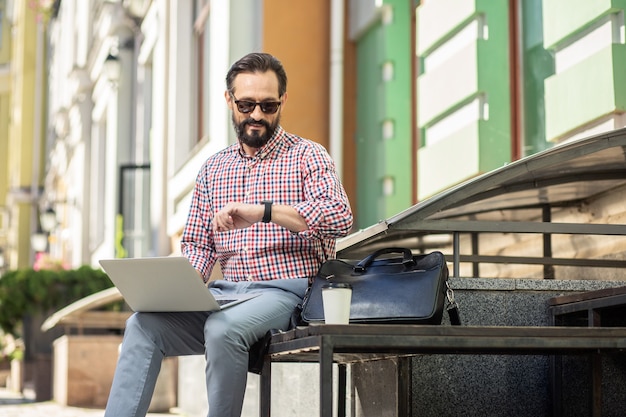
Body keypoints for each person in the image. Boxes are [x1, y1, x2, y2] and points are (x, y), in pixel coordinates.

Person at [104, 52, 353, 417]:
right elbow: (199, 246)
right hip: (225, 295)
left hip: (288, 294)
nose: (256, 115)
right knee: (142, 325)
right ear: (228, 100)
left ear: (282, 101)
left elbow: (340, 216)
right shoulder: (213, 169)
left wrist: (265, 212)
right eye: (247, 104)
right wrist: (175, 286)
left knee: (223, 329)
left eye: (268, 105)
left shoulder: (308, 156)